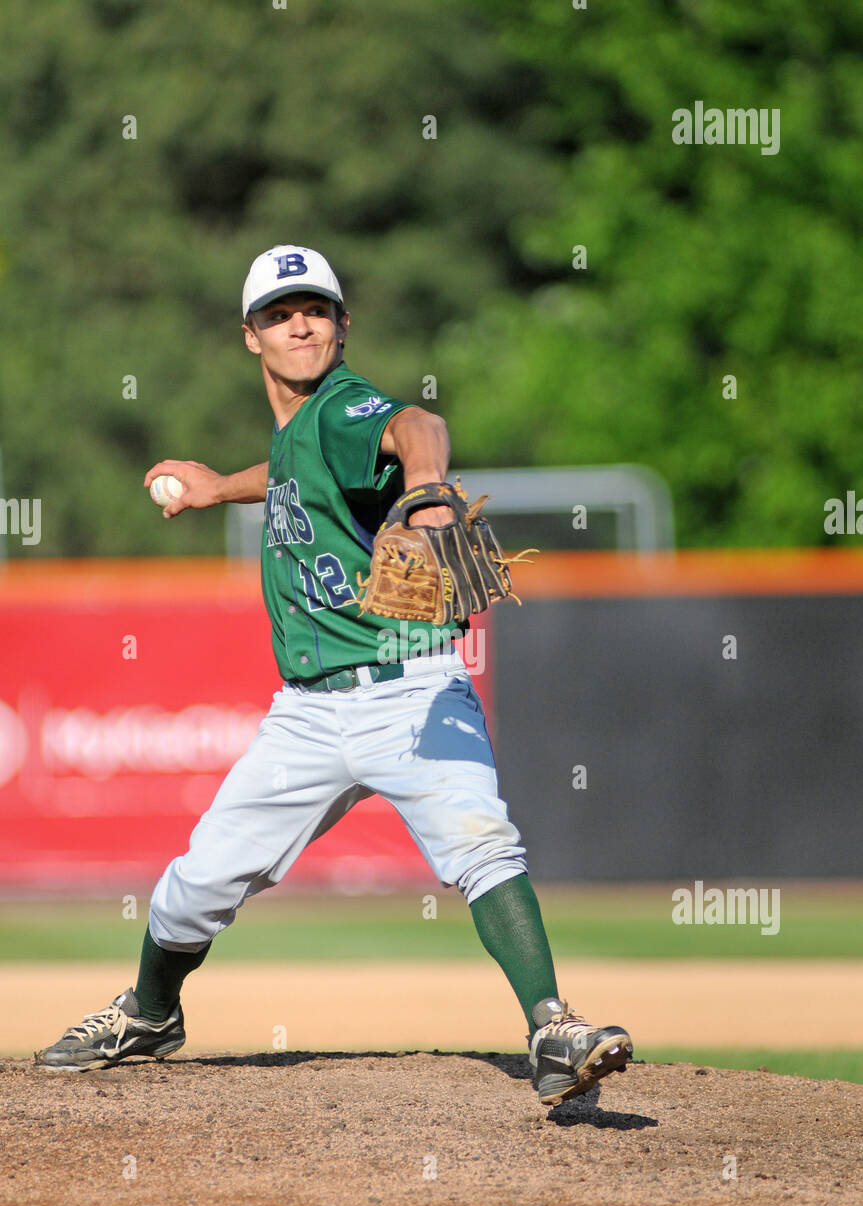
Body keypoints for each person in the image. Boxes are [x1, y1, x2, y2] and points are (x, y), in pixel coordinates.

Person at [35, 244, 633, 1106]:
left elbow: (411, 423)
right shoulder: (300, 433)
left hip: (411, 690)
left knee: (480, 842)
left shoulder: (347, 406)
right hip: (309, 718)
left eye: (316, 308)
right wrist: (217, 489)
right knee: (198, 883)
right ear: (251, 337)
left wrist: (426, 484)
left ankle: (551, 1026)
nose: (300, 323)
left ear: (343, 326)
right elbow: (290, 471)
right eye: (280, 313)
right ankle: (151, 1012)